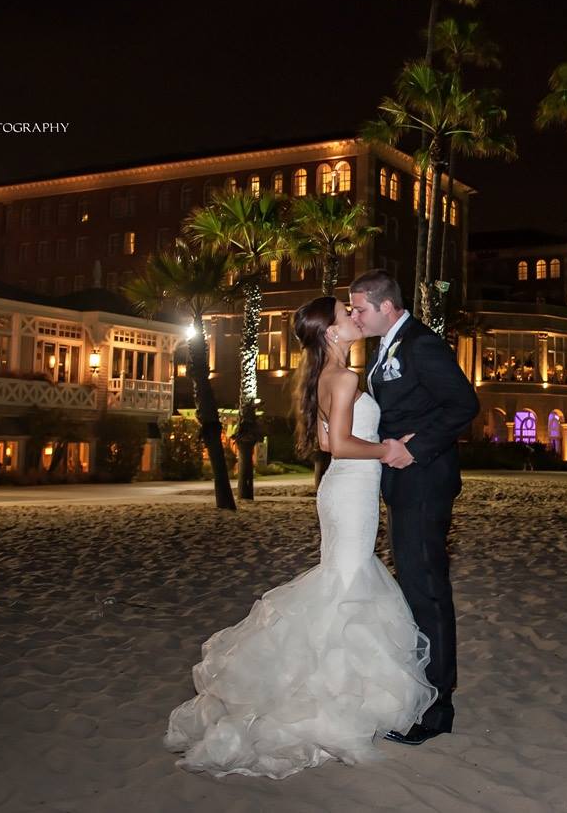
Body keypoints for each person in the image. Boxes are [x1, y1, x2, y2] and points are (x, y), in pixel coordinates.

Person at [163, 295, 435, 779]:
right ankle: (332, 704)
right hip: (351, 490)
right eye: (345, 317)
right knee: (348, 587)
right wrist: (388, 448)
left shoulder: (325, 376)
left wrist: (374, 446)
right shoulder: (346, 377)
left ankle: (335, 692)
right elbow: (346, 444)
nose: (354, 318)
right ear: (331, 333)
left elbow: (329, 442)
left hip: (341, 488)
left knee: (343, 581)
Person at [349, 270, 480, 746]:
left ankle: (438, 708)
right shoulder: (388, 345)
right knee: (414, 589)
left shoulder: (421, 344)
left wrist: (417, 447)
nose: (355, 316)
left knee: (427, 590)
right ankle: (420, 692)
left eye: (360, 308)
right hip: (403, 484)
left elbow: (464, 404)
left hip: (425, 481)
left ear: (387, 306)